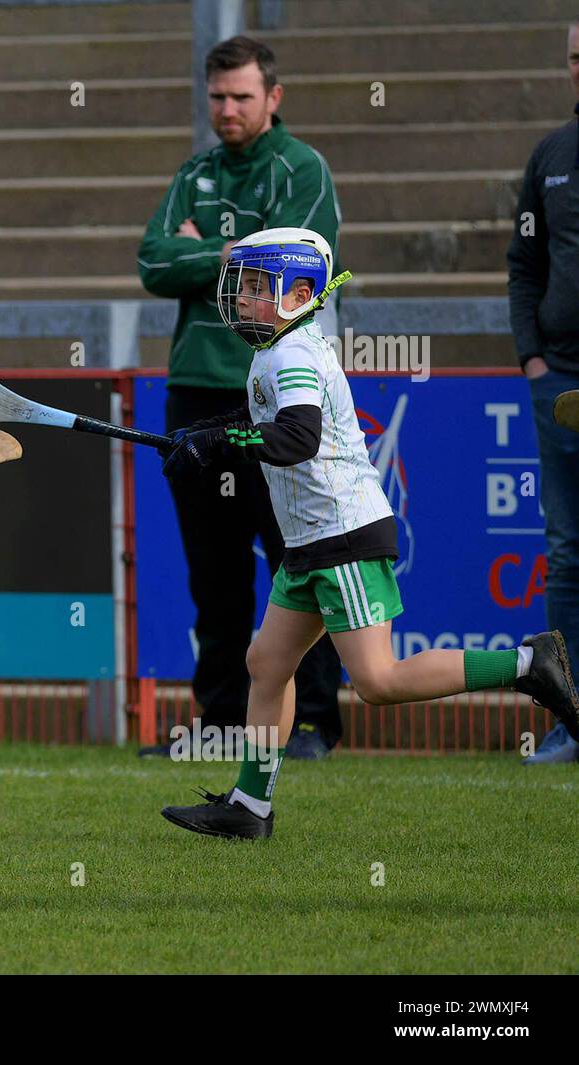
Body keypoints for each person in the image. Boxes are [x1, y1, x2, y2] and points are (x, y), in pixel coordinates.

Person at [158, 228, 579, 839]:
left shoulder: (293, 353)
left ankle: (526, 663)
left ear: (301, 293)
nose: (243, 299)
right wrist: (206, 434)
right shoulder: (275, 349)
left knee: (377, 681)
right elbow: (271, 425)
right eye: (242, 287)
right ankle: (250, 809)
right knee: (267, 663)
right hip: (309, 543)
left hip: (342, 537)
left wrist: (220, 443)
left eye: (257, 288)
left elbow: (297, 437)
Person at [137, 36, 344, 759]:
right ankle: (222, 727)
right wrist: (233, 255)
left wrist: (208, 252)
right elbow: (150, 261)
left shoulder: (303, 168)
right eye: (218, 97)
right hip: (195, 391)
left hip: (272, 388)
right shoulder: (193, 171)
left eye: (242, 97)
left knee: (299, 555)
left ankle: (312, 721)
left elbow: (299, 265)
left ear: (273, 98)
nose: (227, 109)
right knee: (213, 572)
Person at [507, 22, 579, 766]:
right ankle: (573, 723)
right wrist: (532, 358)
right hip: (558, 380)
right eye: (575, 58)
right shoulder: (551, 156)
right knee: (567, 555)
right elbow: (523, 263)